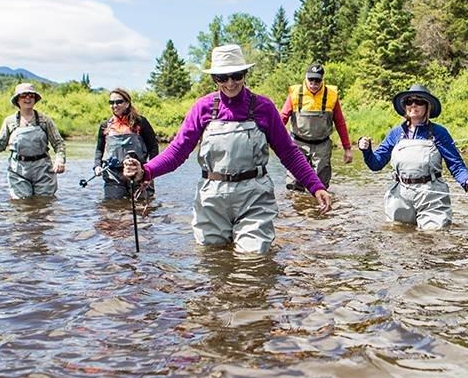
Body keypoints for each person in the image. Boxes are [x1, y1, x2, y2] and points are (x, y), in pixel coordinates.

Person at [122, 44, 333, 254]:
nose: (230, 83)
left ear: (245, 74)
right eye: (222, 78)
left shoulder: (264, 107)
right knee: (212, 261)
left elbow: (289, 152)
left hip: (255, 195)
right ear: (214, 79)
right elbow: (177, 151)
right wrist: (145, 171)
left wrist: (315, 186)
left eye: (236, 75)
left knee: (253, 261)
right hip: (211, 198)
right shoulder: (202, 108)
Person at [357, 84, 468, 230]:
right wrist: (366, 150)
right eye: (409, 101)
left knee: (434, 236)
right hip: (399, 195)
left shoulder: (439, 133)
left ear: (427, 106)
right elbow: (375, 164)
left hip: (431, 194)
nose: (413, 105)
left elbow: (456, 165)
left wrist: (467, 181)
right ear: (404, 106)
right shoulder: (396, 133)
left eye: (419, 101)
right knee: (398, 235)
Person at [0, 82, 66, 199]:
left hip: (43, 169)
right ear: (17, 100)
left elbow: (58, 143)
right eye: (24, 95)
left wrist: (60, 160)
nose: (28, 98)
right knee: (21, 206)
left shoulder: (45, 121)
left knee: (45, 203)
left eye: (31, 95)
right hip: (18, 170)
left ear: (35, 99)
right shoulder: (9, 122)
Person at [279, 62, 353, 189]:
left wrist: (347, 148)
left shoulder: (331, 96)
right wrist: (272, 139)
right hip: (298, 143)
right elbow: (282, 118)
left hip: (322, 146)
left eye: (317, 81)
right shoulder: (295, 94)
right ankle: (299, 207)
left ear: (322, 80)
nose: (313, 84)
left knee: (320, 185)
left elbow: (340, 123)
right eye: (311, 80)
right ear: (306, 78)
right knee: (294, 185)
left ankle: (319, 208)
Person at [92, 88, 160, 200]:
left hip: (138, 172)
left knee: (142, 205)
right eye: (111, 102)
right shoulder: (105, 126)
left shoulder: (140, 122)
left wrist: (151, 170)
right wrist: (97, 166)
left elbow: (153, 147)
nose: (115, 105)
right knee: (113, 208)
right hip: (113, 173)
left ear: (127, 103)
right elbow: (99, 149)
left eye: (119, 102)